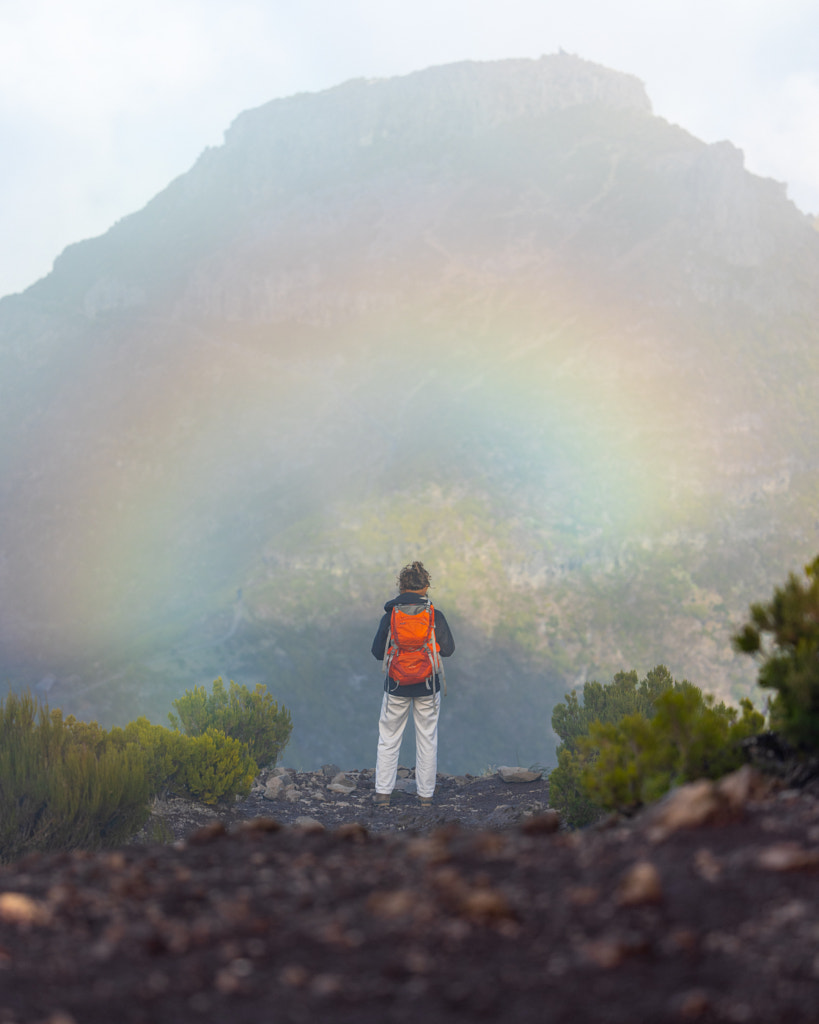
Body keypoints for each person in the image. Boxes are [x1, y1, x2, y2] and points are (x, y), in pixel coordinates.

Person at [370, 561, 455, 807]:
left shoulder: (391, 615)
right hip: (427, 685)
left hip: (396, 685)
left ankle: (383, 794)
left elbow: (377, 652)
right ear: (426, 586)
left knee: (389, 738)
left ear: (401, 587)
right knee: (427, 738)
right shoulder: (434, 615)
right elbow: (448, 650)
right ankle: (425, 796)